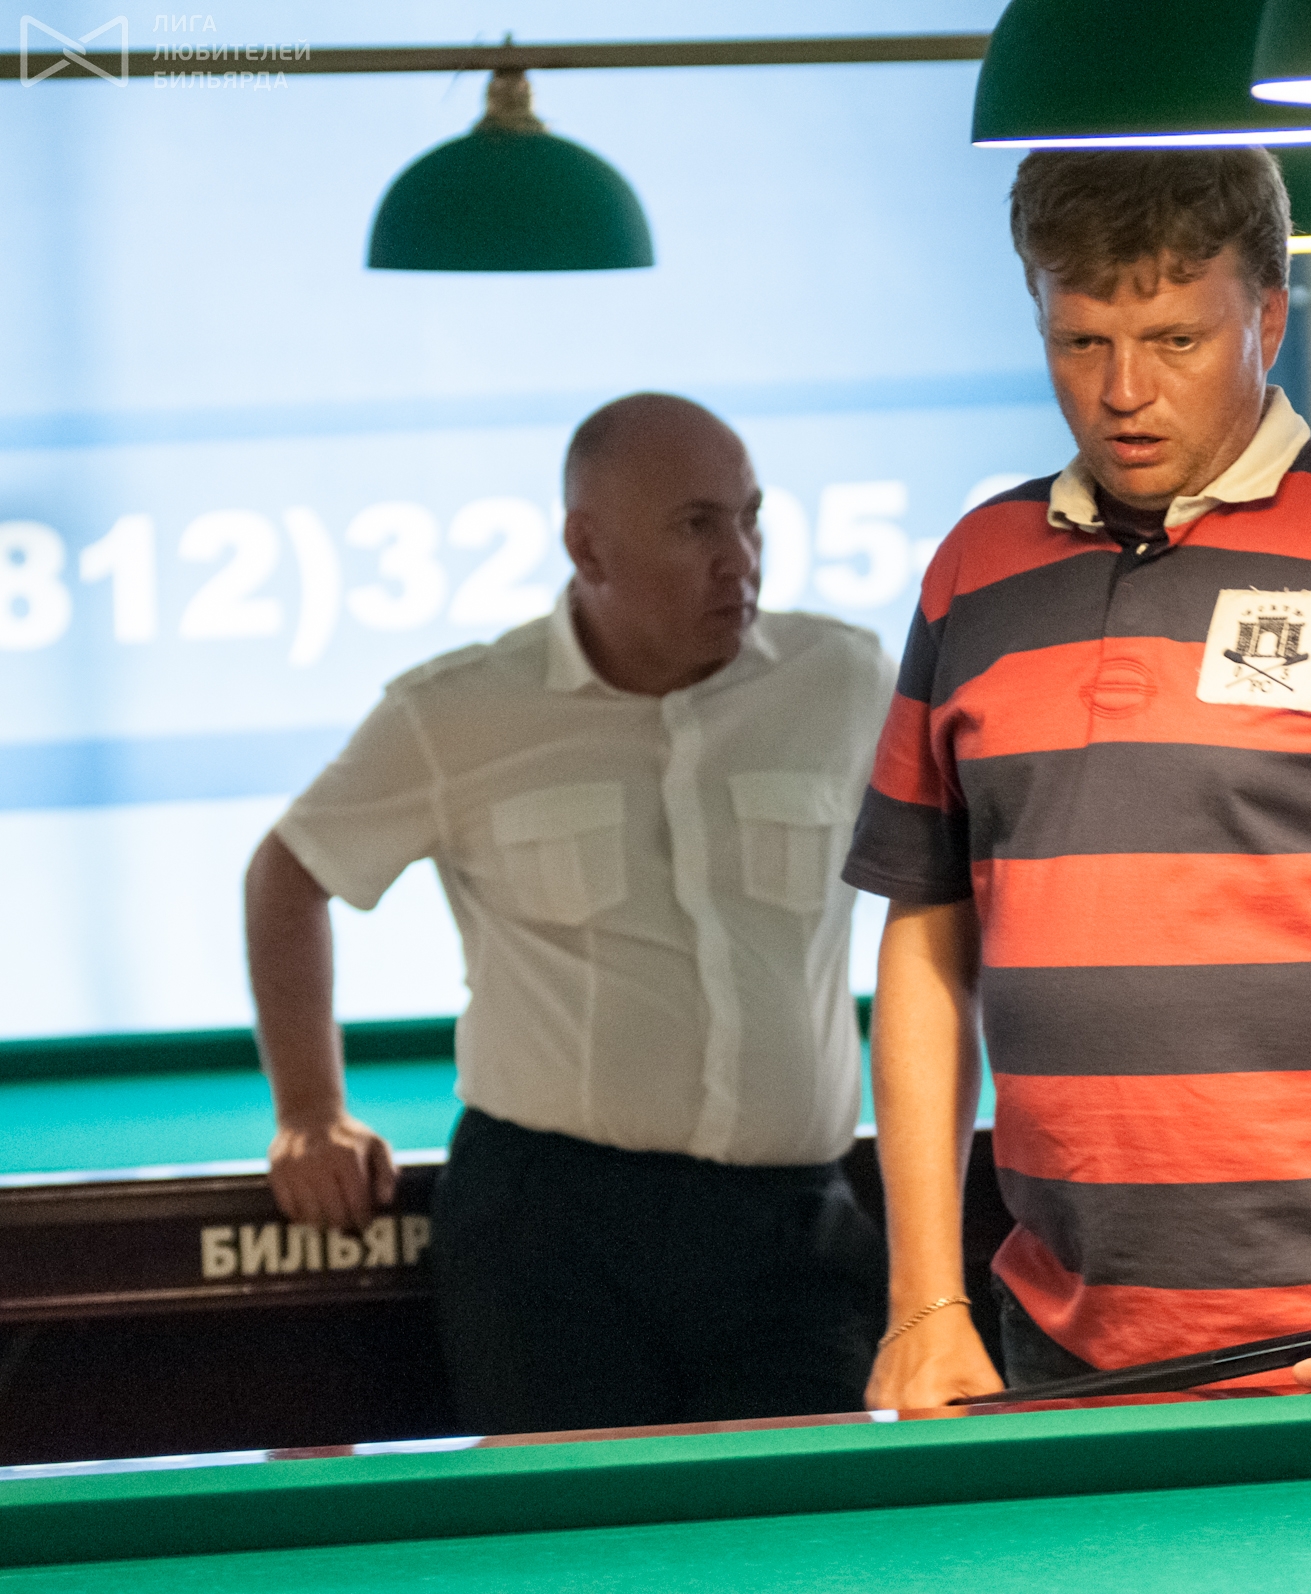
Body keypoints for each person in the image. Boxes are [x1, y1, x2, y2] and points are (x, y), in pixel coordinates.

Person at [844, 150, 1311, 1411]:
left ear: (1269, 321)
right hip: (1053, 1334)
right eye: (1080, 342)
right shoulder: (977, 568)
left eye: (1175, 339)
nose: (1123, 391)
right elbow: (925, 944)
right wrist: (924, 1299)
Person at [246, 393, 896, 1432]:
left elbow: (955, 883)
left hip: (793, 1230)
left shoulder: (846, 682)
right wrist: (310, 1111)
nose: (740, 560)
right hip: (549, 1237)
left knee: (809, 1522)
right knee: (577, 1528)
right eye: (697, 526)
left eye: (750, 519)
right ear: (588, 546)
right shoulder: (456, 710)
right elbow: (289, 875)